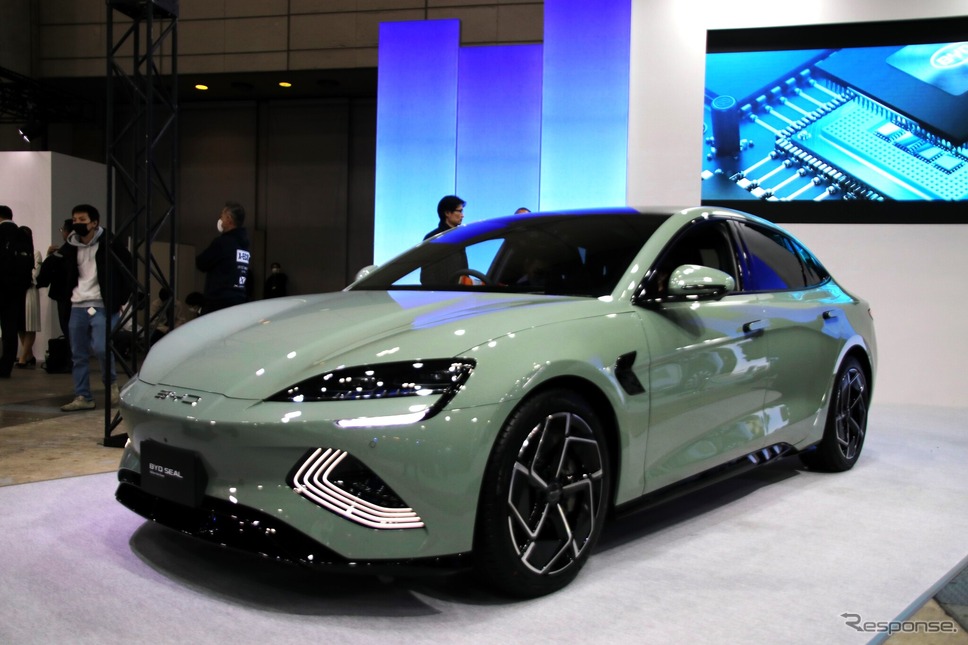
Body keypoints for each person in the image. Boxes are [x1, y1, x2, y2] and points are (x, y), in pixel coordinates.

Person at [58, 204, 134, 411]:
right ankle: (83, 395)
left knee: (102, 347)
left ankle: (111, 385)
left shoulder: (110, 243)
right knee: (78, 353)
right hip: (77, 304)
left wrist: (120, 298)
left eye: (82, 220)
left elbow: (128, 268)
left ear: (94, 223)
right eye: (75, 220)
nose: (78, 224)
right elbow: (64, 273)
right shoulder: (70, 246)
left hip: (102, 305)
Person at [195, 201, 251, 314]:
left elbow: (201, 263)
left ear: (229, 219)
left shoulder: (223, 243)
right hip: (239, 300)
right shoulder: (244, 246)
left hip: (218, 303)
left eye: (222, 216)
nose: (220, 219)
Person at [0, 205, 34, 378]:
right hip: (17, 289)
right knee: (10, 328)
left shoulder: (1, 232)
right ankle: (5, 367)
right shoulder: (23, 233)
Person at [36, 219, 73, 348]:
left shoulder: (59, 255)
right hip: (85, 298)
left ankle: (72, 356)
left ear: (67, 232)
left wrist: (49, 256)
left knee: (66, 325)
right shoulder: (86, 251)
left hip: (63, 296)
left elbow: (43, 279)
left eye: (62, 230)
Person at [420, 195, 468, 286]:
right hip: (441, 293)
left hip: (459, 292)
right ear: (447, 213)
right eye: (460, 211)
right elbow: (427, 277)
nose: (463, 215)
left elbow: (464, 270)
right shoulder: (432, 238)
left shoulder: (460, 236)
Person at [15, 226, 43, 367]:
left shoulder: (35, 253)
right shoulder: (15, 253)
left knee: (30, 325)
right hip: (18, 291)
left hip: (30, 291)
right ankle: (28, 355)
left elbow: (35, 275)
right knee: (20, 325)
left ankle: (22, 358)